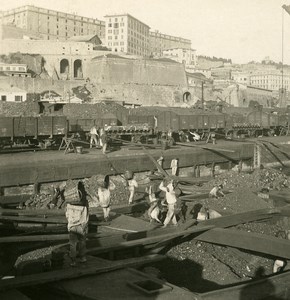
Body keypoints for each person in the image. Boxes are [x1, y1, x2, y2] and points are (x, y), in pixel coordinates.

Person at [65, 200, 89, 267]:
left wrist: (70, 223)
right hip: (81, 226)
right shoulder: (83, 205)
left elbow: (67, 215)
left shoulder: (68, 204)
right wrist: (84, 226)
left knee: (72, 244)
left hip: (72, 226)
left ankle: (73, 261)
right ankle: (82, 258)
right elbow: (85, 216)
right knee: (82, 242)